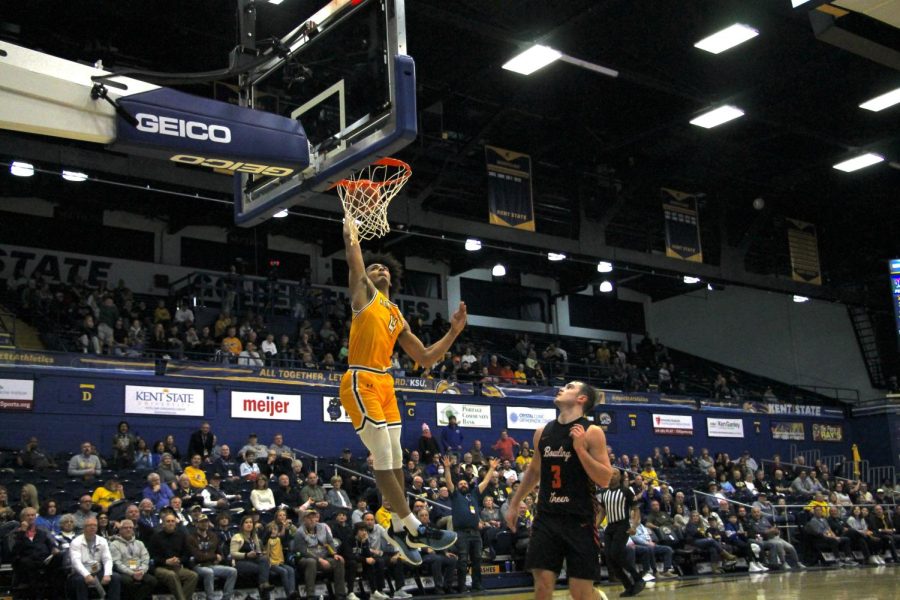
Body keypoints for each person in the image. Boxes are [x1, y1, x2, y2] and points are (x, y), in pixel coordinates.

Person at [339, 214, 466, 561]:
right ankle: (412, 524)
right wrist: (351, 232)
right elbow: (355, 260)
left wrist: (453, 332)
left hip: (385, 383)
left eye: (384, 267)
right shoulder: (363, 294)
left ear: (391, 278)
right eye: (374, 265)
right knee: (382, 451)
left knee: (395, 457)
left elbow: (425, 358)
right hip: (360, 378)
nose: (378, 268)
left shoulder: (396, 313)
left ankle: (397, 527)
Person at [506, 381, 613, 600]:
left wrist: (580, 450)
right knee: (543, 585)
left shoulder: (592, 432)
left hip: (579, 518)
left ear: (581, 398)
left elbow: (604, 479)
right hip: (547, 517)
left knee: (579, 593)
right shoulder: (542, 432)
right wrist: (515, 503)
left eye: (570, 386)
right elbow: (534, 471)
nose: (562, 388)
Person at [443, 454, 498, 592]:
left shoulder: (473, 494)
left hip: (475, 533)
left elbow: (485, 482)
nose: (462, 485)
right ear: (457, 486)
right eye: (460, 484)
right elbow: (449, 482)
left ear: (468, 485)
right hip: (461, 533)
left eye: (464, 483)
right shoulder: (455, 495)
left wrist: (491, 469)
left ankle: (477, 585)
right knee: (462, 561)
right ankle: (462, 586)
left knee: (477, 560)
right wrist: (447, 468)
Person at [148, 510, 199, 600]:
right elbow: (152, 556)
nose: (171, 523)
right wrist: (165, 561)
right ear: (163, 524)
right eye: (168, 521)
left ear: (175, 523)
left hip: (177, 566)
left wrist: (179, 560)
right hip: (160, 567)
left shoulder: (181, 536)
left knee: (193, 576)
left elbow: (187, 554)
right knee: (171, 575)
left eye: (173, 521)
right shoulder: (155, 537)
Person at [10, 507, 61, 596]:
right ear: (22, 518)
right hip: (24, 563)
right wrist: (22, 532)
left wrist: (54, 548)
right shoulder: (15, 533)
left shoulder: (42, 531)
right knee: (28, 562)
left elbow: (51, 544)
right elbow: (14, 551)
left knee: (59, 557)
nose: (30, 517)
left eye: (33, 515)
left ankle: (56, 594)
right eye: (28, 515)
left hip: (43, 560)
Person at [69, 516, 122, 600]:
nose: (92, 527)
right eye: (89, 525)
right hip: (80, 572)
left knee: (115, 577)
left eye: (95, 525)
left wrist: (107, 574)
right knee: (79, 581)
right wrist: (86, 575)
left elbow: (107, 559)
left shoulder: (102, 540)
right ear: (84, 527)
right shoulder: (76, 542)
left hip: (97, 570)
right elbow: (76, 562)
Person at [188, 513, 238, 600]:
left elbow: (220, 553)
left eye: (206, 521)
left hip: (211, 565)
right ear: (196, 524)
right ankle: (210, 598)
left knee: (232, 571)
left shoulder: (213, 536)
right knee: (209, 572)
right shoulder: (191, 538)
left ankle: (226, 598)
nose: (204, 524)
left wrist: (219, 558)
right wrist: (214, 556)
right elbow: (198, 557)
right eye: (202, 522)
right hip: (198, 566)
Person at [109, 518, 158, 600]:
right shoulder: (114, 544)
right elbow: (117, 563)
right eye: (125, 528)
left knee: (152, 581)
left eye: (130, 528)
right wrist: (132, 573)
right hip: (125, 571)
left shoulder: (139, 543)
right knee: (127, 582)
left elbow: (146, 559)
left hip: (139, 570)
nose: (128, 530)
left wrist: (142, 571)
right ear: (120, 530)